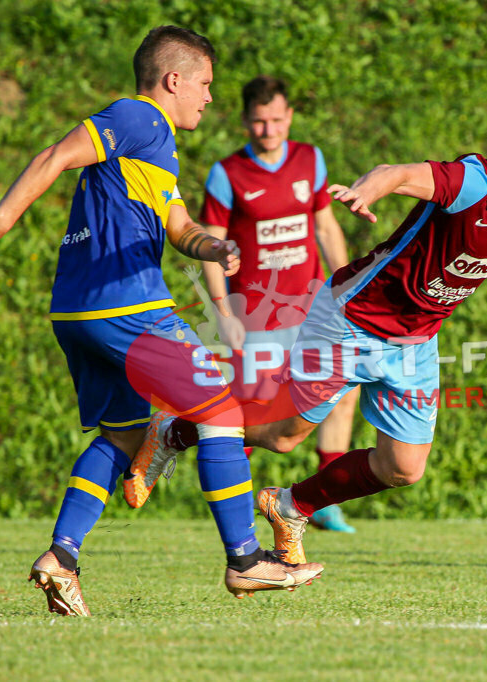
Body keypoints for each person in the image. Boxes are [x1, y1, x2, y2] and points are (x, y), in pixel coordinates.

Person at [132, 88, 487, 566]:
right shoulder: (474, 183)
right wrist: (372, 188)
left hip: (415, 337)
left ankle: (290, 506)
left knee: (403, 466)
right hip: (352, 320)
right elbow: (403, 174)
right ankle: (175, 429)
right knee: (282, 435)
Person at [0, 26, 321, 616]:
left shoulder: (157, 149)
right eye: (204, 84)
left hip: (79, 314)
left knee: (124, 435)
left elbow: (178, 228)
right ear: (173, 80)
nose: (208, 97)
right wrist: (0, 220)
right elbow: (56, 154)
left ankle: (62, 559)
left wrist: (213, 248)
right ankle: (246, 559)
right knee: (221, 410)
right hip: (127, 309)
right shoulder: (136, 118)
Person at [124, 76, 359, 534]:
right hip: (256, 317)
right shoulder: (227, 174)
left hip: (312, 311)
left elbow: (326, 227)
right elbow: (211, 242)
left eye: (275, 120)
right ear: (246, 122)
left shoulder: (310, 160)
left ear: (289, 116)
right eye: (258, 122)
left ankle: (323, 499)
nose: (268, 130)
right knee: (252, 415)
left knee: (342, 391)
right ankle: (237, 512)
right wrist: (223, 313)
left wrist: (347, 287)